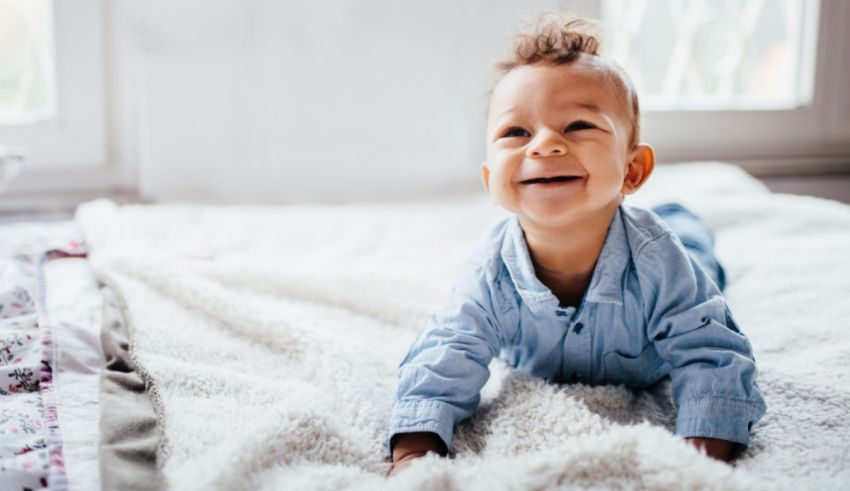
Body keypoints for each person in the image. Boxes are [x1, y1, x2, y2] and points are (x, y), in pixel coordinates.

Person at [387, 13, 766, 475]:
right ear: (491, 181)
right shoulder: (491, 272)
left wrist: (699, 455)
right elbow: (444, 352)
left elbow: (712, 352)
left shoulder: (659, 261)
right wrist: (415, 450)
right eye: (516, 132)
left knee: (697, 259)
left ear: (632, 171)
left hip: (669, 253)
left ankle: (683, 221)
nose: (544, 145)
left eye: (578, 126)